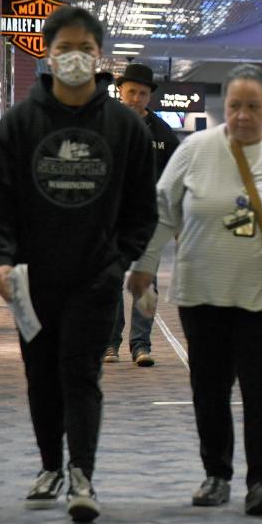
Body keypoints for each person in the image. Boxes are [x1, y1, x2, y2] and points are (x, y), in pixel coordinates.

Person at [128, 64, 262, 512]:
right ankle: (216, 475)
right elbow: (164, 210)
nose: (244, 115)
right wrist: (146, 264)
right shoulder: (195, 149)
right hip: (202, 292)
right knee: (209, 389)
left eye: (253, 106)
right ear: (223, 108)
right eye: (235, 106)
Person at [0, 6, 157, 523]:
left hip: (94, 276)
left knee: (81, 374)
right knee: (41, 376)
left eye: (84, 49)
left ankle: (82, 474)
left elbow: (142, 207)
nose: (75, 58)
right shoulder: (17, 124)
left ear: (98, 56)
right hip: (31, 280)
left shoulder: (124, 127)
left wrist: (120, 260)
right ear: (47, 55)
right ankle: (49, 466)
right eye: (64, 49)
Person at [104, 62, 180, 367]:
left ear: (150, 97)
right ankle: (110, 344)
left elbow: (177, 180)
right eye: (131, 91)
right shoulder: (105, 126)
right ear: (120, 91)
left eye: (143, 93)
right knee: (109, 280)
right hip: (110, 220)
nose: (136, 97)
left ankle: (141, 345)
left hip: (150, 221)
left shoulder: (163, 134)